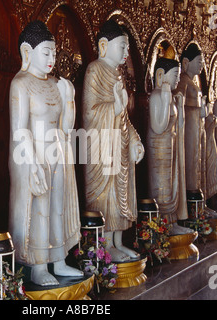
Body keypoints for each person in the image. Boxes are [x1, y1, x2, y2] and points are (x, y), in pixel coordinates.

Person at [8, 20, 82, 287]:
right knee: (39, 209)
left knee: (58, 207)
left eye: (54, 52)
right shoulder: (21, 83)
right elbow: (19, 129)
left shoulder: (55, 84)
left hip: (57, 152)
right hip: (31, 155)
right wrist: (33, 163)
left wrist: (69, 97)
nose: (52, 58)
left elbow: (66, 127)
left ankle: (59, 260)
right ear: (28, 53)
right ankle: (38, 265)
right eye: (46, 53)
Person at [82, 20, 144, 262]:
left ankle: (117, 241)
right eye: (122, 47)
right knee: (106, 194)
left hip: (120, 145)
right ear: (104, 46)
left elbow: (124, 118)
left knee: (122, 195)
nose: (127, 53)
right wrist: (115, 106)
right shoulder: (94, 70)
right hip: (101, 147)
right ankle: (105, 245)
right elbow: (88, 113)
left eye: (128, 48)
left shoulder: (118, 74)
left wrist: (136, 140)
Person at [147, 57, 192, 234]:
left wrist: (179, 106)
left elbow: (179, 126)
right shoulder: (156, 97)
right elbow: (158, 127)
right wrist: (166, 101)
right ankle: (163, 223)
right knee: (162, 186)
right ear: (161, 75)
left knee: (172, 182)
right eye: (175, 75)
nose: (177, 80)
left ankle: (172, 221)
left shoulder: (169, 97)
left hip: (170, 144)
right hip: (159, 148)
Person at [174, 43, 210, 198]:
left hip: (197, 128)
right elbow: (178, 105)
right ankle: (190, 196)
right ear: (186, 63)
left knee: (197, 160)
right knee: (190, 161)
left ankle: (198, 197)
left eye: (202, 62)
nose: (201, 65)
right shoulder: (182, 82)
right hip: (188, 130)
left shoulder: (194, 83)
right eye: (199, 61)